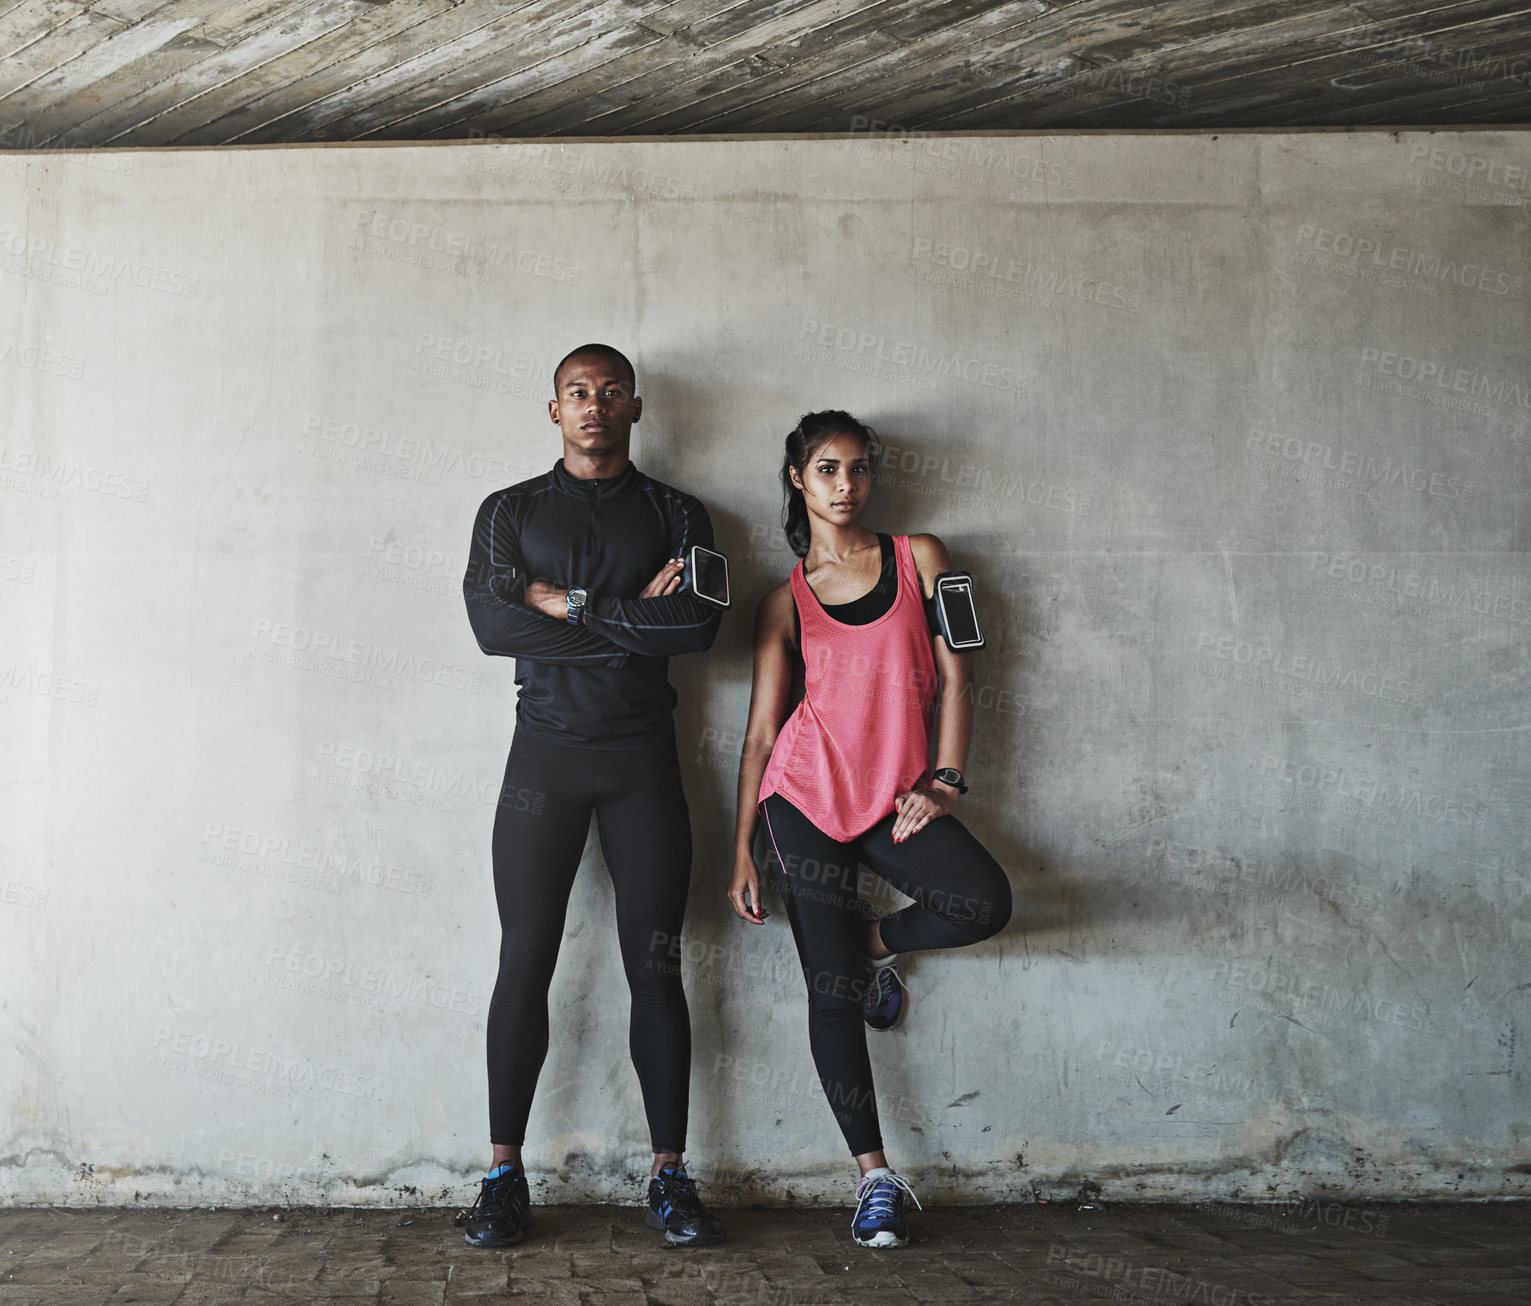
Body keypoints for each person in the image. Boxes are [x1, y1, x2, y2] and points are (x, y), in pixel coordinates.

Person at [460, 343, 725, 1248]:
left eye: (611, 393)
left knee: (655, 967)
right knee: (525, 959)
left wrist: (564, 605)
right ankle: (502, 1174)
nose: (594, 406)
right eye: (578, 393)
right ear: (553, 410)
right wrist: (626, 624)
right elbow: (493, 627)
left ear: (636, 409)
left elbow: (696, 621)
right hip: (544, 763)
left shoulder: (679, 513)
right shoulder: (508, 511)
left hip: (643, 763)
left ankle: (669, 1175)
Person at [728, 410, 1011, 1249]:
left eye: (856, 470)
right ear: (797, 479)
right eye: (826, 470)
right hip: (803, 797)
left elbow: (961, 678)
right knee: (830, 994)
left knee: (982, 901)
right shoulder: (784, 601)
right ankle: (875, 1179)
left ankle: (872, 946)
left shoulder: (921, 557)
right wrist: (741, 845)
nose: (844, 486)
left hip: (897, 796)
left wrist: (946, 781)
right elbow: (756, 735)